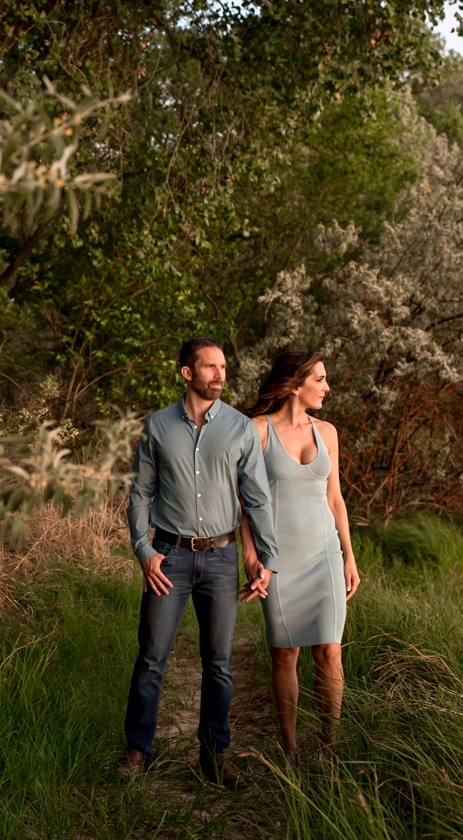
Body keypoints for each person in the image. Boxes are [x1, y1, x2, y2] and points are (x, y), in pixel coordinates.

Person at [121, 337, 281, 787]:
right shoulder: (156, 427)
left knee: (220, 663)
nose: (220, 375)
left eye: (223, 367)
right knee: (152, 657)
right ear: (187, 373)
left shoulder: (240, 428)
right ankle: (138, 752)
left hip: (222, 557)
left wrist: (266, 559)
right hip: (168, 557)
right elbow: (139, 494)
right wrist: (143, 550)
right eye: (210, 367)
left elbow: (258, 499)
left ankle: (214, 757)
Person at [239, 350, 361, 764]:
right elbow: (245, 502)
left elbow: (335, 498)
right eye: (320, 380)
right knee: (284, 654)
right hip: (280, 560)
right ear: (295, 384)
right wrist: (252, 556)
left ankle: (330, 746)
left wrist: (349, 556)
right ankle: (289, 747)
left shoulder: (327, 432)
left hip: (324, 553)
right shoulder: (256, 431)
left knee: (330, 652)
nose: (327, 388)